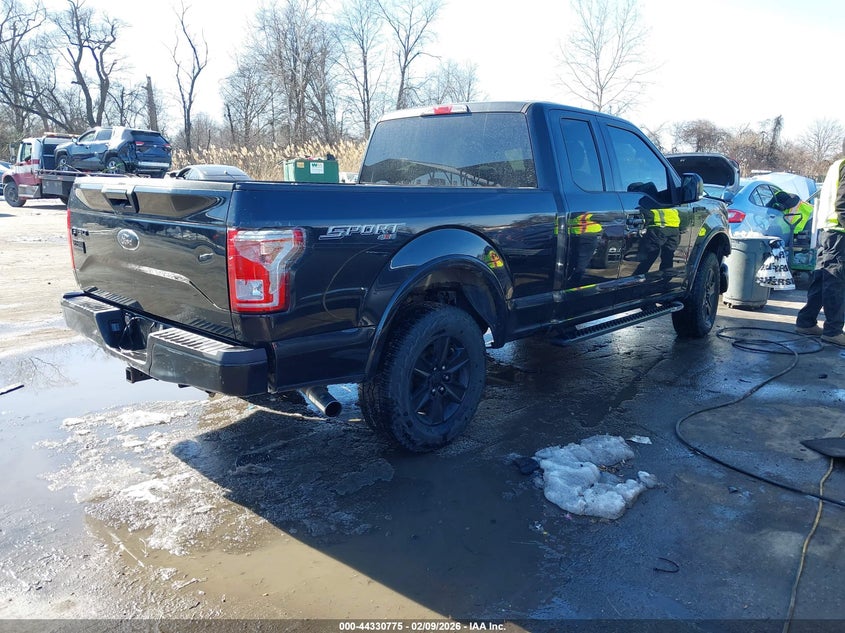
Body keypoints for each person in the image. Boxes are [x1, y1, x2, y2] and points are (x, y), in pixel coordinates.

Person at [795, 158, 845, 346]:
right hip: (839, 232)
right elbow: (843, 204)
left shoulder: (838, 164)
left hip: (829, 230)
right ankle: (833, 330)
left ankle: (806, 321)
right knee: (835, 281)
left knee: (823, 277)